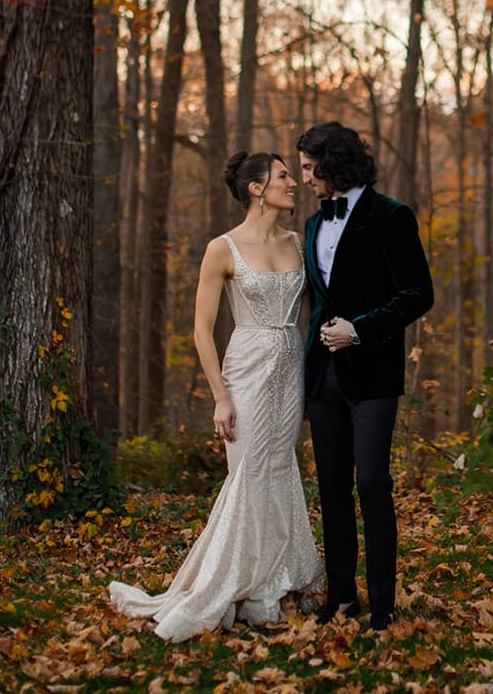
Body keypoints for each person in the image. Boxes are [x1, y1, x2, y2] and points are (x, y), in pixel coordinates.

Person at [108, 152, 322, 640]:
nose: (294, 182)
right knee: (247, 471)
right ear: (255, 187)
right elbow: (202, 332)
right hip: (245, 367)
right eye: (284, 176)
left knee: (279, 469)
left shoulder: (298, 242)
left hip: (291, 366)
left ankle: (269, 585)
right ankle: (230, 584)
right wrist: (220, 398)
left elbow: (316, 310)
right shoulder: (222, 248)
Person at [298, 121, 434, 632]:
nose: (307, 179)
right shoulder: (313, 226)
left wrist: (361, 329)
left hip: (373, 372)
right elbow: (316, 301)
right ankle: (340, 598)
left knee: (373, 483)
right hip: (321, 375)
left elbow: (419, 293)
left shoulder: (392, 216)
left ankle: (383, 604)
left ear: (334, 164)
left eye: (311, 169)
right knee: (332, 487)